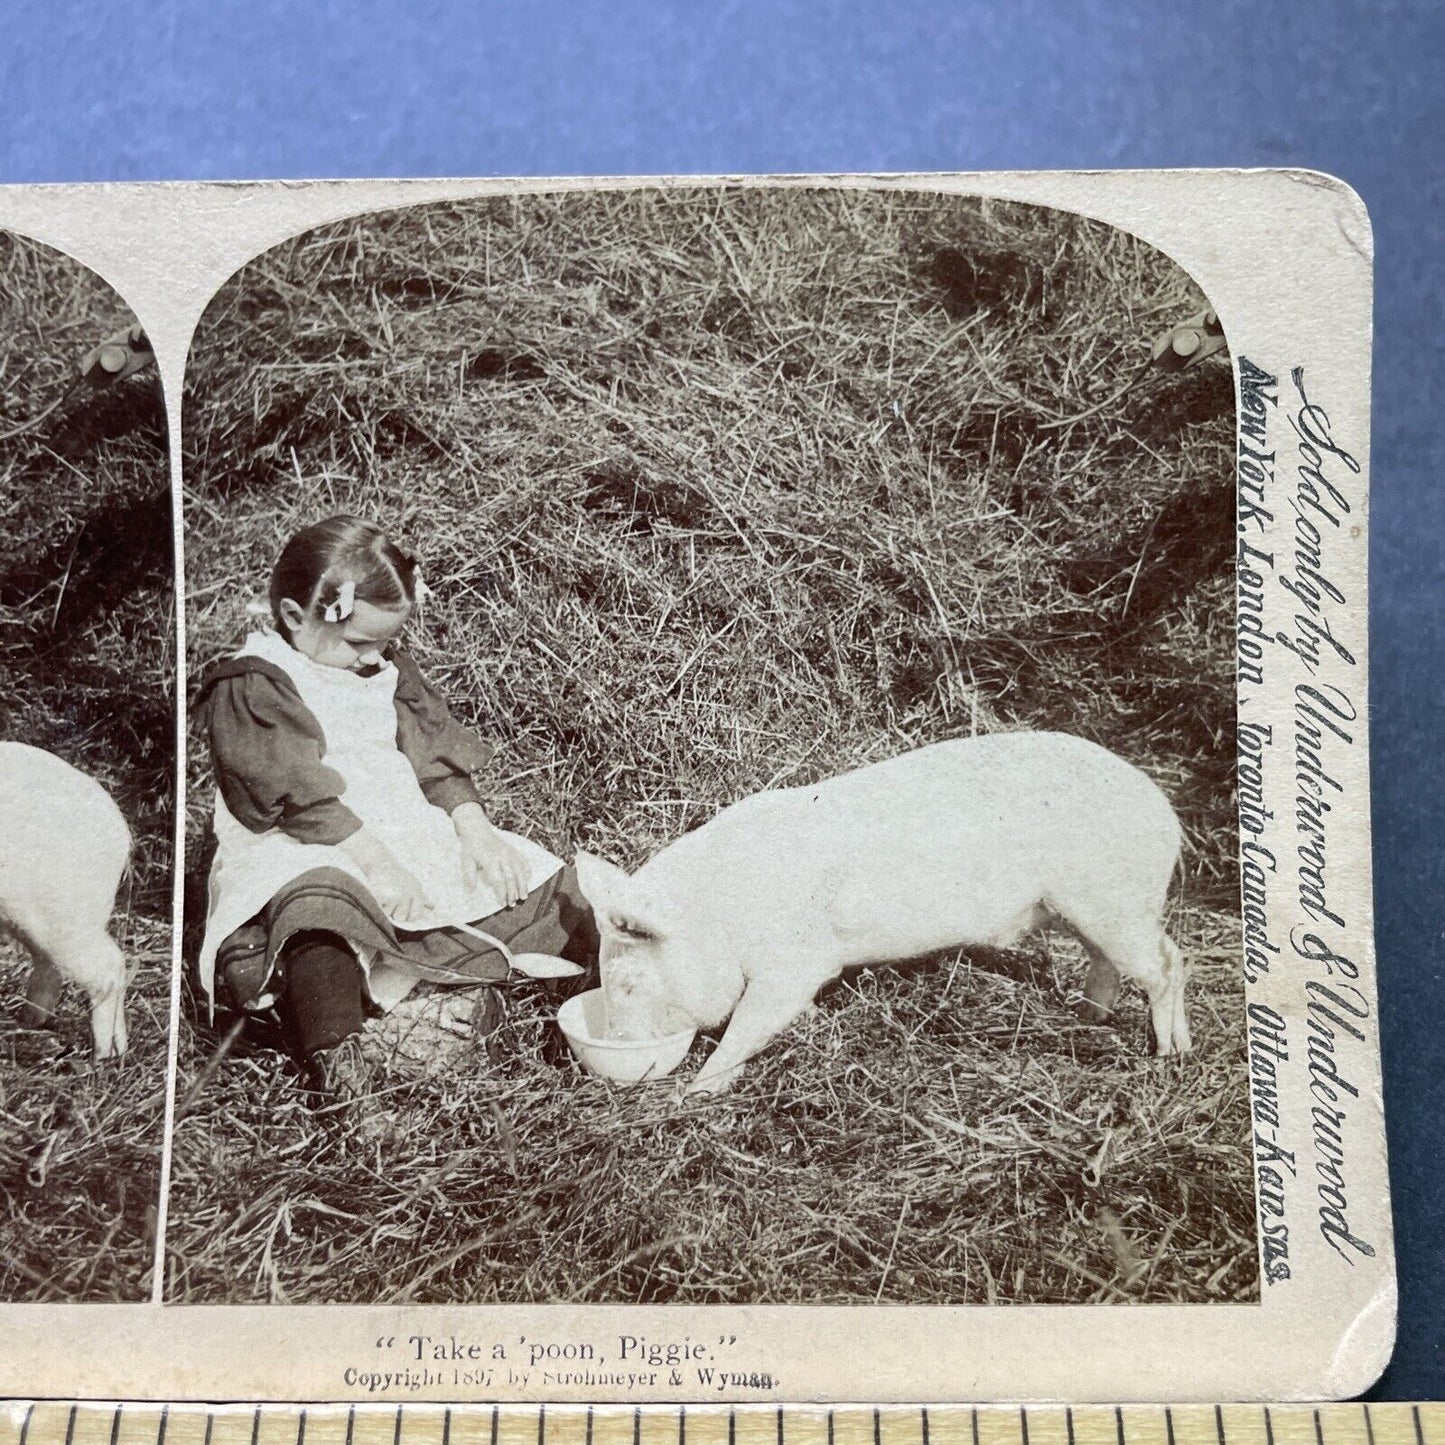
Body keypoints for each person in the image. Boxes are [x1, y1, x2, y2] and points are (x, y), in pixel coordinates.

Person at [194, 515, 596, 1109]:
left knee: (552, 887)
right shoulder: (255, 683)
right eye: (359, 642)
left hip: (400, 824)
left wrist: (474, 829)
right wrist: (379, 868)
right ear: (294, 617)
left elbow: (432, 760)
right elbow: (297, 797)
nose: (373, 657)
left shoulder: (381, 667)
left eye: (384, 642)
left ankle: (590, 998)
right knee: (318, 910)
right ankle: (343, 1070)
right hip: (308, 838)